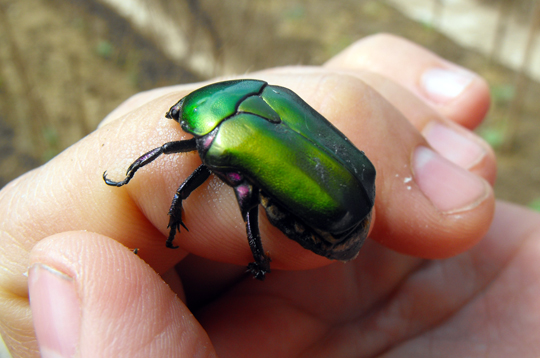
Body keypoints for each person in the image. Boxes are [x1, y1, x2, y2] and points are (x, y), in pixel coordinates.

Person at [1, 34, 539, 357]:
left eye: (180, 116)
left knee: (234, 198)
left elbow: (173, 164)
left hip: (330, 218)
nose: (173, 121)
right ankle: (256, 257)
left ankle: (258, 256)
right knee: (237, 198)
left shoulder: (222, 139)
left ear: (194, 120)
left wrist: (144, 185)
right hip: (347, 201)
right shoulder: (267, 97)